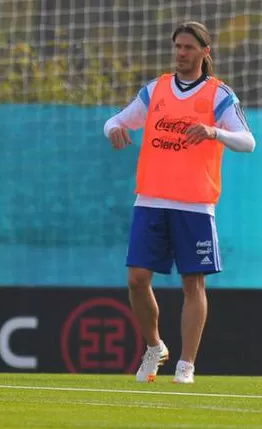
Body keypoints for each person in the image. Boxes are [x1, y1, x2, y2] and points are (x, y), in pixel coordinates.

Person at [104, 21, 255, 384]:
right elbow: (114, 121)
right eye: (177, 47)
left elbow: (248, 141)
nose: (181, 53)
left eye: (188, 47)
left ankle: (186, 365)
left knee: (193, 284)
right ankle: (155, 347)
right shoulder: (155, 90)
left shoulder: (219, 95)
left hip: (195, 205)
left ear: (205, 52)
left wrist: (213, 131)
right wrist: (115, 130)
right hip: (150, 201)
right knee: (137, 279)